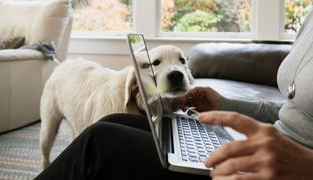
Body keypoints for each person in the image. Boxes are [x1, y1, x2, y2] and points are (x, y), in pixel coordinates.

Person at [36, 11, 313, 180]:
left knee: (96, 144)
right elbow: (294, 108)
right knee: (107, 124)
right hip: (265, 150)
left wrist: (305, 166)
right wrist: (225, 104)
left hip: (283, 170)